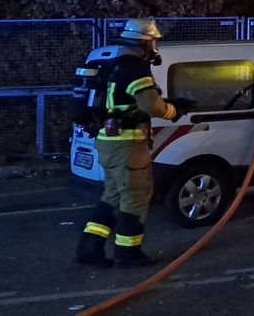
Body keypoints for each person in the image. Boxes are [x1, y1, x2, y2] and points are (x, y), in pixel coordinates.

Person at [74, 18, 192, 268]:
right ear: (146, 42)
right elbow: (151, 105)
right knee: (136, 197)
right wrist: (175, 110)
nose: (154, 47)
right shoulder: (135, 68)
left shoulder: (113, 65)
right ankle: (128, 253)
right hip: (128, 146)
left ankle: (89, 248)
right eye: (153, 42)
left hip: (107, 142)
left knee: (113, 196)